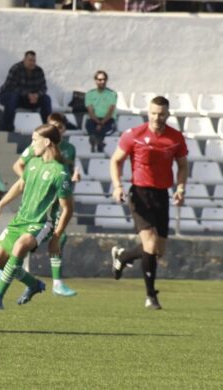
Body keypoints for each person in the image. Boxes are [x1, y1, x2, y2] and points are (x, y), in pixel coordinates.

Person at [109, 96, 188, 310]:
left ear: (167, 114)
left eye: (161, 113)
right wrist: (118, 186)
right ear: (148, 112)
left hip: (162, 195)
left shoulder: (176, 138)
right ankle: (150, 296)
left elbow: (182, 165)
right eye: (153, 113)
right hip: (140, 194)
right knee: (150, 244)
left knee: (157, 250)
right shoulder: (134, 135)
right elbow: (116, 160)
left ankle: (123, 255)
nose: (156, 117)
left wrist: (180, 188)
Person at [0, 124, 74, 310]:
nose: (32, 143)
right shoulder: (33, 163)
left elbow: (67, 209)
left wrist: (56, 238)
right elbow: (20, 185)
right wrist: (0, 205)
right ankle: (33, 284)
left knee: (19, 248)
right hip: (20, 220)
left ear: (47, 141)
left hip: (41, 223)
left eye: (35, 139)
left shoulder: (61, 172)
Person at [12, 113, 80, 297]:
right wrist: (30, 182)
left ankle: (56, 283)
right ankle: (14, 269)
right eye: (53, 125)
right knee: (26, 237)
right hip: (39, 198)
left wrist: (75, 175)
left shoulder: (69, 149)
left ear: (64, 129)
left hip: (58, 197)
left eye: (59, 126)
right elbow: (18, 165)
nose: (56, 129)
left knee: (60, 236)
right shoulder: (36, 146)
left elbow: (68, 169)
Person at [0, 50, 52, 131]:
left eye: (34, 60)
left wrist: (37, 95)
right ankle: (6, 127)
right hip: (8, 96)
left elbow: (43, 88)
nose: (32, 63)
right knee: (13, 97)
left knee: (46, 99)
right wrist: (28, 94)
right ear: (24, 60)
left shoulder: (39, 71)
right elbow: (11, 87)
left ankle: (47, 128)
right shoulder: (16, 69)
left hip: (29, 99)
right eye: (30, 60)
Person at [84, 70, 117, 153]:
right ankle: (99, 144)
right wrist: (98, 122)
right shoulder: (89, 94)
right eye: (100, 79)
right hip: (94, 119)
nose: (102, 81)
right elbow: (90, 111)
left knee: (104, 128)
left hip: (107, 119)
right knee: (90, 124)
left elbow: (110, 111)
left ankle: (97, 142)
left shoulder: (112, 94)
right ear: (95, 80)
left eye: (104, 79)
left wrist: (101, 123)